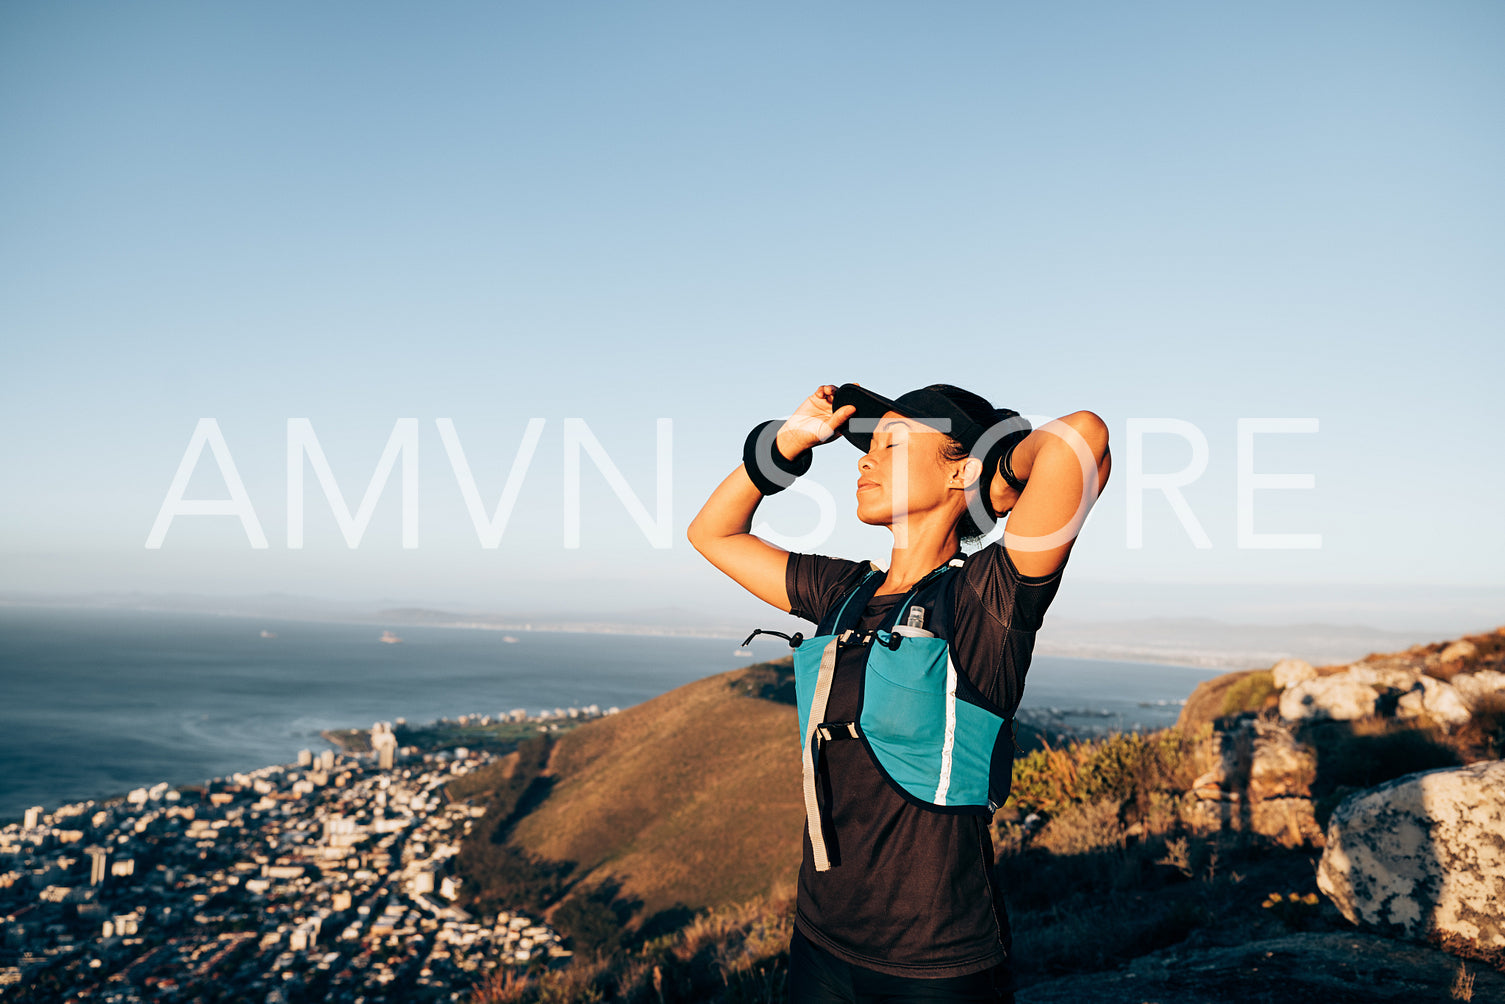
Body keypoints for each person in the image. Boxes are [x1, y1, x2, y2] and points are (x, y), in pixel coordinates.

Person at [687, 383, 1111, 1004]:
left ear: (961, 468)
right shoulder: (843, 593)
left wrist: (991, 478)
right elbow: (712, 534)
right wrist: (785, 446)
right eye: (868, 447)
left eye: (892, 443)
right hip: (819, 941)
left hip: (935, 965)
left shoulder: (986, 600)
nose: (865, 459)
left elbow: (1084, 437)